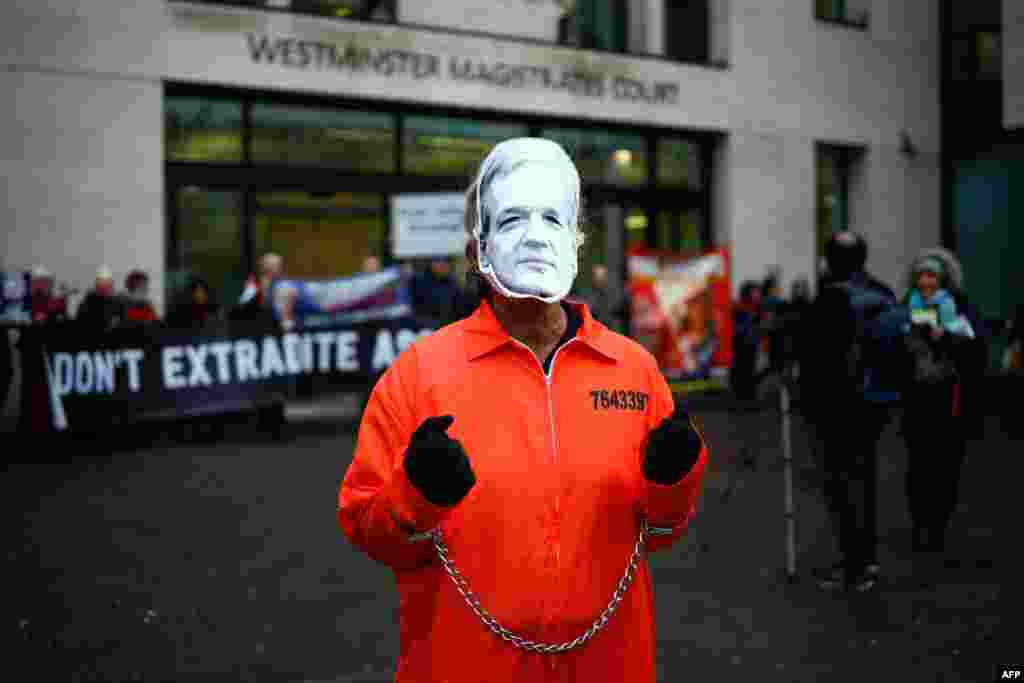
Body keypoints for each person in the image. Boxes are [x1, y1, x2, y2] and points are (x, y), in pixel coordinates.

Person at [338, 138, 708, 682]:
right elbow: (368, 529)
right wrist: (414, 496)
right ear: (477, 251)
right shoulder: (418, 375)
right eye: (511, 221)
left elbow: (658, 534)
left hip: (610, 664)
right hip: (463, 665)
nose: (535, 238)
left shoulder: (633, 370)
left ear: (575, 242)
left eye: (552, 221)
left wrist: (673, 484)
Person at [801, 231, 899, 592]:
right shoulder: (883, 292)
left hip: (835, 407)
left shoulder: (830, 297)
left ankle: (852, 566)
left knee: (841, 485)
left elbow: (811, 358)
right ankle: (868, 561)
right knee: (865, 479)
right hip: (875, 402)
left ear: (829, 259)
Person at [901, 249, 983, 560]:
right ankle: (921, 524)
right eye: (921, 275)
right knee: (918, 465)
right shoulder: (907, 305)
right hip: (918, 399)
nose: (926, 281)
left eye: (932, 275)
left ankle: (937, 526)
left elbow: (975, 351)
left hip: (951, 400)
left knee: (946, 466)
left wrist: (945, 338)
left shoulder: (959, 308)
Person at [576, 263, 630, 334]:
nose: (599, 280)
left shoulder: (616, 294)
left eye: (602, 277)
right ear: (593, 278)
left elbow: (621, 310)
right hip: (594, 331)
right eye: (597, 277)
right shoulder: (587, 294)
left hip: (613, 331)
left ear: (606, 277)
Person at [730, 280, 762, 400]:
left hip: (750, 344)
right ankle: (743, 395)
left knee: (750, 370)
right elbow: (738, 327)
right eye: (755, 292)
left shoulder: (755, 308)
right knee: (743, 370)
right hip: (742, 345)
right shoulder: (740, 307)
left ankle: (748, 394)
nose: (757, 294)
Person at [75, 266, 124, 332]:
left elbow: (134, 315)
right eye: (101, 283)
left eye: (107, 283)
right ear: (96, 284)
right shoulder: (87, 304)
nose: (104, 287)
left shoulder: (119, 303)